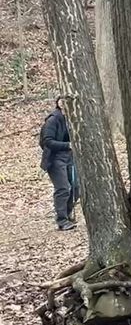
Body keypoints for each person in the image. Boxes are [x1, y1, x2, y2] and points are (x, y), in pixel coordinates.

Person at [40, 97, 77, 231]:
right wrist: (67, 145)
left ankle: (67, 214)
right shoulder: (53, 120)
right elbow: (47, 142)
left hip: (69, 157)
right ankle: (61, 220)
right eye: (64, 102)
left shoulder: (72, 118)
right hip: (54, 159)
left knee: (76, 187)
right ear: (60, 104)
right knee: (63, 188)